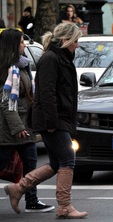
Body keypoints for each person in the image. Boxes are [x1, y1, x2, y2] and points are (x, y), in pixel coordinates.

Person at [4, 22, 87, 219]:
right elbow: (47, 93)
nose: (77, 45)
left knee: (57, 163)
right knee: (68, 160)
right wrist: (51, 123)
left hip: (58, 119)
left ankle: (18, 188)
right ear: (65, 40)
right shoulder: (52, 59)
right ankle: (65, 206)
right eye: (75, 41)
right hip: (54, 120)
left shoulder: (60, 57)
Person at [0, 28, 54, 213]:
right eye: (22, 42)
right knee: (2, 163)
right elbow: (6, 103)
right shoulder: (5, 68)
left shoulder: (22, 65)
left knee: (30, 162)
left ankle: (32, 201)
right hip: (9, 128)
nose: (25, 44)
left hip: (25, 124)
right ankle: (31, 199)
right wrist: (17, 128)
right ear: (13, 45)